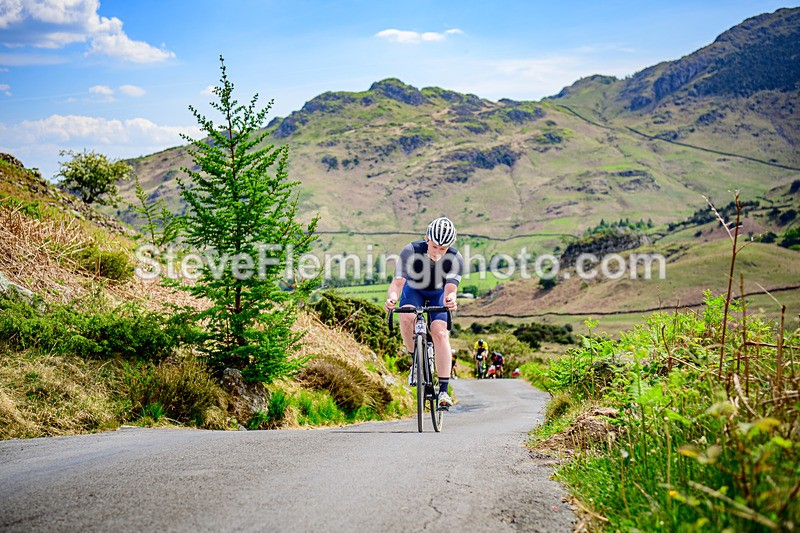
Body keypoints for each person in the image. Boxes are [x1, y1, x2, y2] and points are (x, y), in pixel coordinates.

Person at [385, 217, 464, 408]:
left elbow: (450, 289)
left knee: (440, 332)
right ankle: (415, 362)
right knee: (406, 316)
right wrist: (392, 298)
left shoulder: (455, 258)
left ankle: (444, 391)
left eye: (442, 249)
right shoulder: (411, 250)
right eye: (434, 246)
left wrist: (451, 300)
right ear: (427, 238)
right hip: (414, 291)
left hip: (438, 293)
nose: (437, 253)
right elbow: (397, 284)